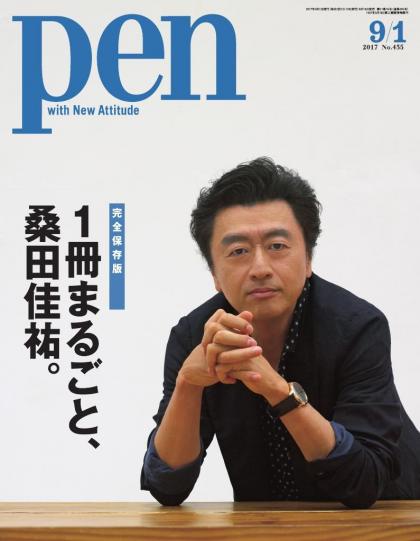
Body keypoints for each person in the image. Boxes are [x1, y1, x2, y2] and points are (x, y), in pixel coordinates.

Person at [141, 157, 420, 508]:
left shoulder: (357, 326)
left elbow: (363, 481)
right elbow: (167, 486)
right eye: (238, 251)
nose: (260, 268)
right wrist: (188, 384)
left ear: (308, 260)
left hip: (394, 516)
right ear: (214, 274)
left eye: (277, 246)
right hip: (269, 524)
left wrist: (275, 389)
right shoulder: (195, 336)